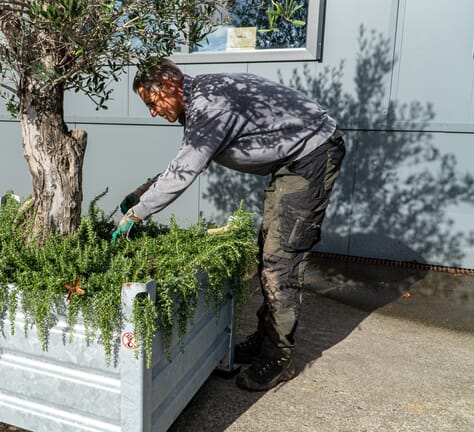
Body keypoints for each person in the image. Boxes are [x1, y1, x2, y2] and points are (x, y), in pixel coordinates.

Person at [112, 58, 346, 392]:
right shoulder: (197, 102)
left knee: (281, 259)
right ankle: (266, 340)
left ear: (168, 86)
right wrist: (140, 194)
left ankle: (279, 358)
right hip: (289, 164)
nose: (152, 112)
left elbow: (185, 171)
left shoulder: (210, 105)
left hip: (310, 157)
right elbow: (185, 161)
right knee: (269, 250)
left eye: (152, 103)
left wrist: (135, 214)